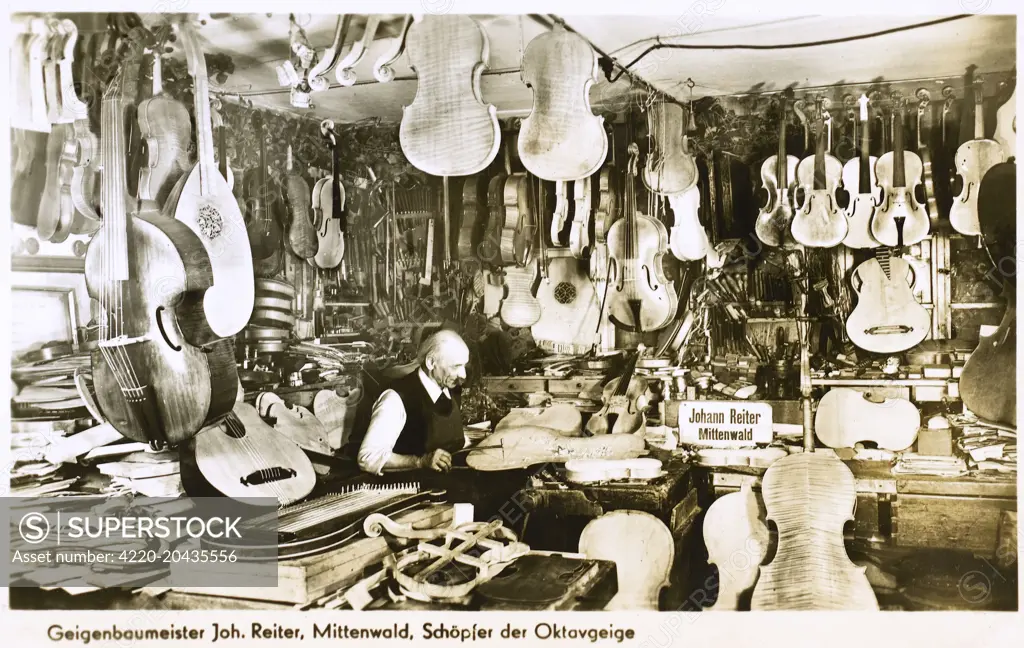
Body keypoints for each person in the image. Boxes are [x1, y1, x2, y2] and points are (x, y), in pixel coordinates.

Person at [356, 330, 469, 475]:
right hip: (409, 489)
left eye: (464, 365)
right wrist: (420, 461)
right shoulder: (396, 398)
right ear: (430, 362)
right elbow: (368, 458)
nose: (463, 375)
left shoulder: (449, 388)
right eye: (456, 366)